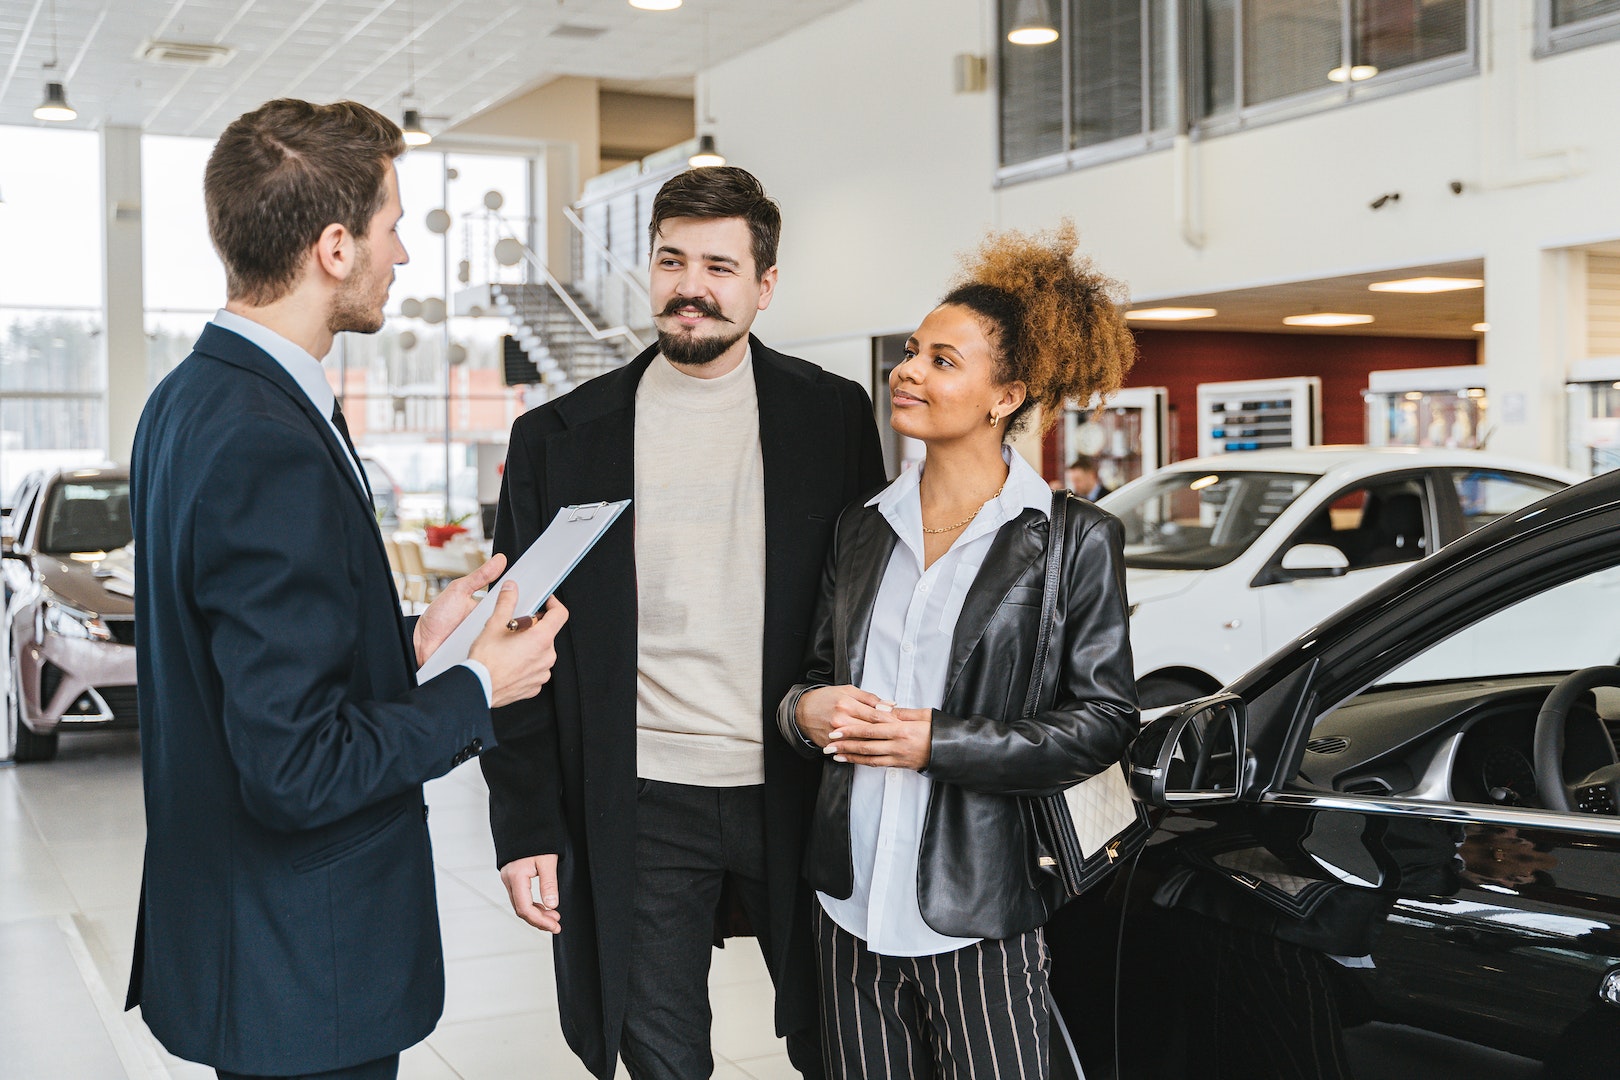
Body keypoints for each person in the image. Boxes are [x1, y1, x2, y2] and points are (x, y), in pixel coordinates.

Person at [126, 98, 568, 1080]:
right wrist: (474, 688)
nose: (401, 254)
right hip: (303, 967)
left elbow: (242, 654)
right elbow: (294, 769)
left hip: (250, 947)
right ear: (334, 246)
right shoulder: (265, 436)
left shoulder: (191, 397)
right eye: (392, 226)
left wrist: (411, 643)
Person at [481, 165, 886, 1080]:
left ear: (764, 285)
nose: (690, 287)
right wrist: (525, 824)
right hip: (637, 795)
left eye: (718, 265)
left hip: (797, 783)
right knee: (661, 1054)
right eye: (671, 260)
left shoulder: (832, 417)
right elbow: (512, 642)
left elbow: (868, 607)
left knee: (843, 1041)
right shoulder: (559, 438)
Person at [777, 222, 1139, 1078]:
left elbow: (1103, 720)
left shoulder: (1070, 540)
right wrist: (803, 711)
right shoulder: (863, 528)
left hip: (979, 903)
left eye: (943, 360)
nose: (907, 371)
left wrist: (935, 741)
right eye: (911, 351)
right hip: (850, 898)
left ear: (1004, 395)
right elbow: (815, 679)